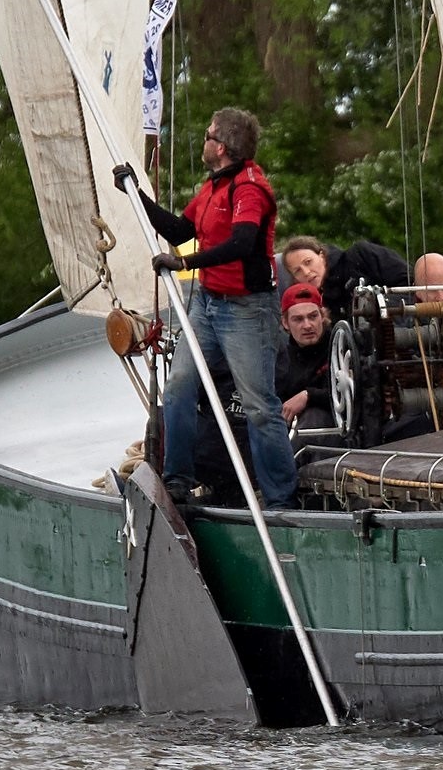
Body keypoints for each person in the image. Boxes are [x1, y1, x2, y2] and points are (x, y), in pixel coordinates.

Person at [129, 108, 295, 508]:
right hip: (207, 304)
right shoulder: (213, 188)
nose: (203, 140)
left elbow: (241, 244)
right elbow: (180, 230)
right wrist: (135, 193)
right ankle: (178, 480)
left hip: (246, 311)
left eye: (207, 135)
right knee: (180, 386)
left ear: (220, 147)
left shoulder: (250, 189)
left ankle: (281, 498)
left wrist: (184, 263)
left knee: (258, 406)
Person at [279, 232, 415, 319]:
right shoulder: (313, 309)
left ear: (321, 256)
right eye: (298, 271)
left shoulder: (360, 256)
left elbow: (410, 281)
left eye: (308, 262)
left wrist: (378, 307)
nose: (306, 272)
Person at [274, 283, 334, 426]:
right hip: (292, 428)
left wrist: (309, 396)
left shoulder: (340, 347)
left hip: (335, 426)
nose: (307, 325)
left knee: (315, 417)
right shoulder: (280, 360)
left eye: (313, 316)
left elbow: (356, 394)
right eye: (298, 319)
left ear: (322, 316)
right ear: (285, 323)